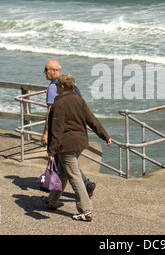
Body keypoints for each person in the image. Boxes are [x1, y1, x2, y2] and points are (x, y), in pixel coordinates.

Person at [42, 74, 112, 221]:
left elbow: (56, 129)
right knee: (62, 172)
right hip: (80, 143)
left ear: (61, 87)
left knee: (74, 176)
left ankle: (85, 210)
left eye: (57, 86)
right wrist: (105, 136)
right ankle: (52, 200)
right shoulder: (80, 100)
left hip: (66, 146)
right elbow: (92, 120)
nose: (55, 88)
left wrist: (51, 151)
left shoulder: (59, 104)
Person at [41, 60, 96, 197]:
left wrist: (46, 133)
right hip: (76, 130)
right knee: (64, 163)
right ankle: (53, 195)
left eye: (46, 69)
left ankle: (85, 189)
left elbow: (50, 112)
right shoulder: (72, 87)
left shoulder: (54, 87)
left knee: (66, 163)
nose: (44, 72)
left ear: (54, 71)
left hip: (62, 133)